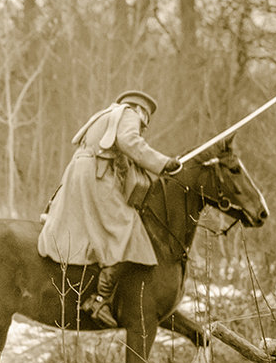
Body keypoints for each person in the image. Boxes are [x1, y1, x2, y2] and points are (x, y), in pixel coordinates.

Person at [38, 90, 181, 327]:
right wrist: (164, 163)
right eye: (145, 121)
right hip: (96, 174)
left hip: (79, 171)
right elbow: (130, 142)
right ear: (142, 111)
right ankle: (99, 299)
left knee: (95, 228)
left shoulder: (106, 116)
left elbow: (123, 156)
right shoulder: (128, 114)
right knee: (126, 226)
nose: (143, 126)